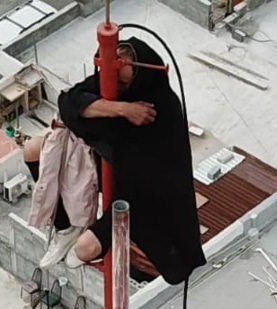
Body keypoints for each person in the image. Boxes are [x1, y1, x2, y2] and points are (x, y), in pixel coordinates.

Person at [23, 38, 206, 286]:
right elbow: (69, 102)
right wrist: (121, 109)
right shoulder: (117, 92)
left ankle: (88, 240)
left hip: (144, 193)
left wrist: (104, 111)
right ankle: (66, 228)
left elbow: (93, 122)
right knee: (32, 150)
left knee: (85, 249)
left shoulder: (162, 106)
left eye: (123, 83)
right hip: (113, 165)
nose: (116, 88)